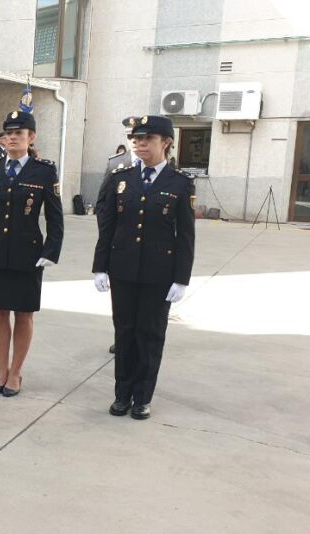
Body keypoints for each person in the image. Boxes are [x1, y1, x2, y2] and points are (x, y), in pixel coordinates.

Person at [92, 114, 195, 420]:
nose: (139, 144)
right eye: (135, 139)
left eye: (147, 139)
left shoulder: (179, 184)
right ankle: (122, 394)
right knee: (124, 332)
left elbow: (186, 235)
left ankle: (142, 397)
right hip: (122, 269)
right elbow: (107, 226)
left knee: (149, 336)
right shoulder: (120, 179)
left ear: (166, 143)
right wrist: (101, 267)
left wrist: (181, 278)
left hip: (158, 274)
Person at [0, 111, 64, 396]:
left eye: (18, 133)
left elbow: (55, 218)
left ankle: (16, 372)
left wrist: (51, 250)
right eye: (8, 133)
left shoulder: (44, 171)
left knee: (23, 314)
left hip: (27, 253)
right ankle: (1, 370)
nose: (11, 138)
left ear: (30, 137)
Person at [99, 117, 141, 354]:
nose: (135, 141)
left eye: (139, 136)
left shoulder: (163, 164)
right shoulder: (116, 163)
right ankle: (122, 338)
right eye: (131, 136)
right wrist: (107, 235)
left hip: (148, 242)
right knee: (121, 300)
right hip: (121, 243)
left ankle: (139, 338)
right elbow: (103, 203)